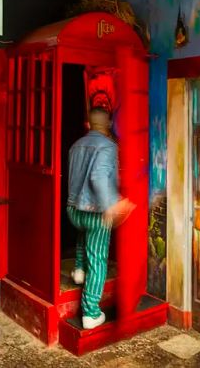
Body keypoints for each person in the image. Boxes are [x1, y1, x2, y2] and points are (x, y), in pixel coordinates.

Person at [66, 107, 133, 329]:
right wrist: (109, 206)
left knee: (82, 235)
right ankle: (91, 313)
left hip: (74, 209)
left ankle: (78, 270)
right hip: (95, 210)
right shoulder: (108, 147)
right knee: (98, 259)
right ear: (109, 123)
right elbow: (97, 176)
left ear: (88, 123)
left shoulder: (76, 145)